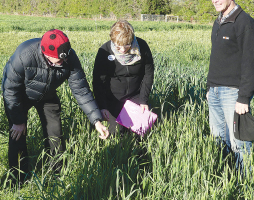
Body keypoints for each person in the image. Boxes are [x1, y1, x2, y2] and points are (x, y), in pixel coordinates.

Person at [1, 29, 109, 184]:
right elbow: (10, 90)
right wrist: (18, 120)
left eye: (64, 59)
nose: (63, 63)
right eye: (58, 61)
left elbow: (81, 90)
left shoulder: (69, 57)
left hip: (48, 94)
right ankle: (18, 178)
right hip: (19, 96)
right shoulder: (24, 54)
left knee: (55, 132)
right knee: (17, 134)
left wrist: (96, 121)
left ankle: (57, 173)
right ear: (45, 53)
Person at [206, 0, 254, 172]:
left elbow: (251, 63)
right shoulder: (218, 22)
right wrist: (209, 89)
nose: (215, 0)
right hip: (214, 92)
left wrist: (244, 97)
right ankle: (224, 176)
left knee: (239, 144)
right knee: (218, 139)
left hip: (233, 94)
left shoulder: (245, 23)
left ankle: (246, 183)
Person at [93, 20, 154, 136]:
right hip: (112, 99)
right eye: (118, 46)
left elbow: (148, 74)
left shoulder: (142, 47)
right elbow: (98, 81)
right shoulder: (104, 51)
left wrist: (143, 100)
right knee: (116, 134)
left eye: (127, 45)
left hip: (135, 97)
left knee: (141, 133)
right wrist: (102, 106)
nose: (122, 50)